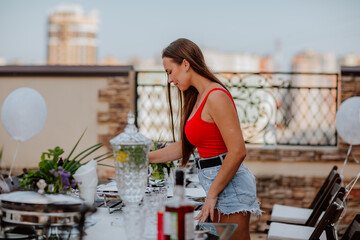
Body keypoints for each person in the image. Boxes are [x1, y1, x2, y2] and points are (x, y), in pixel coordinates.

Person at [149, 38, 262, 240]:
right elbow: (185, 146)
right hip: (218, 183)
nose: (169, 80)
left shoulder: (215, 96)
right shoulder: (199, 96)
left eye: (169, 71)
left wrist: (212, 195)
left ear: (185, 64)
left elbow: (237, 152)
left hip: (230, 185)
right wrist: (144, 157)